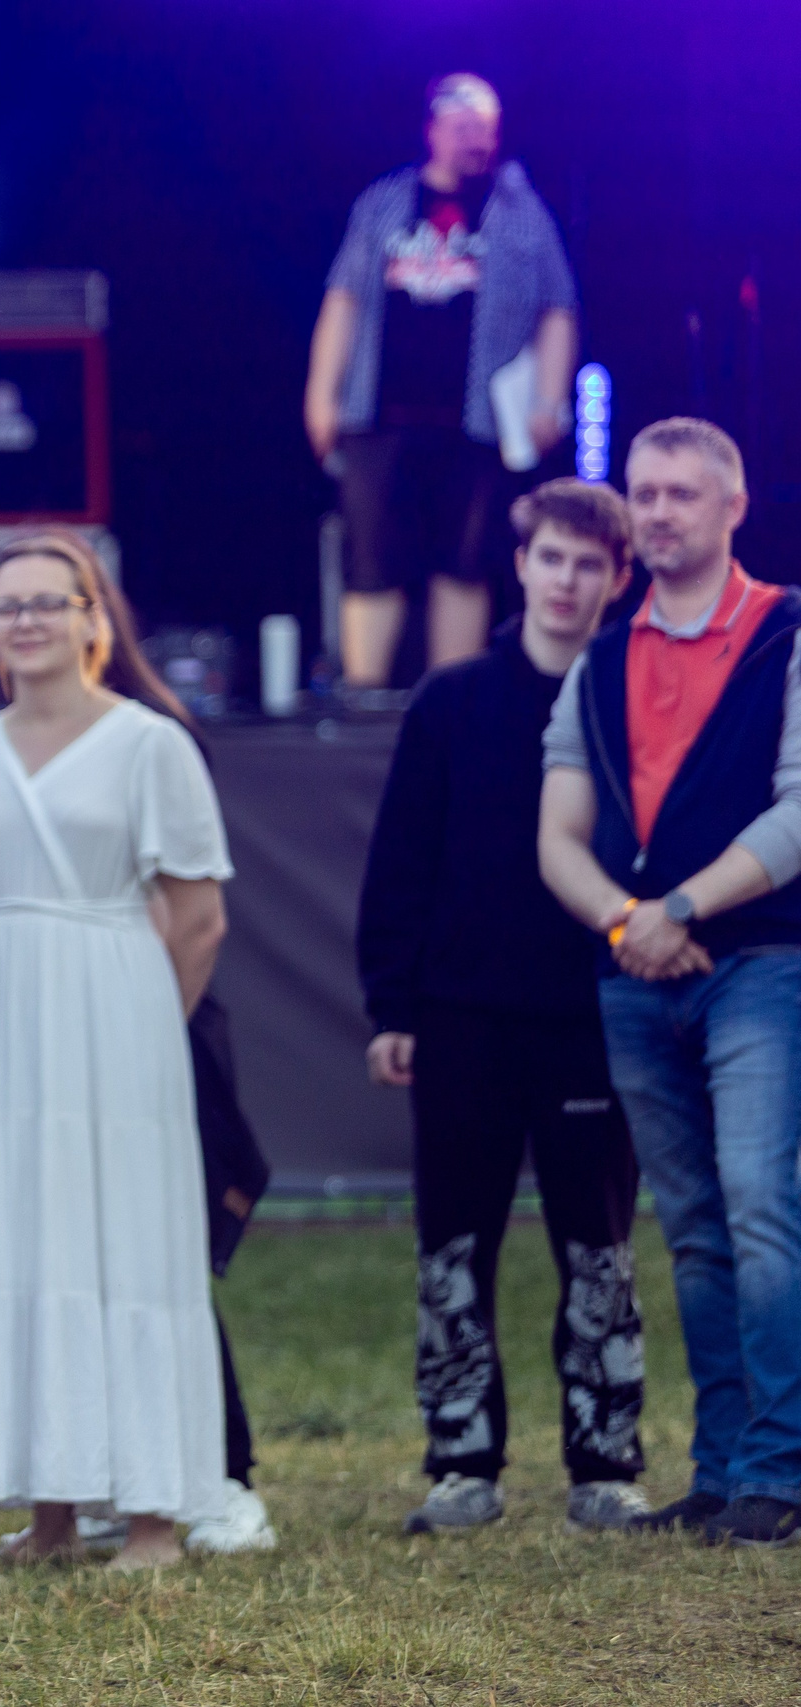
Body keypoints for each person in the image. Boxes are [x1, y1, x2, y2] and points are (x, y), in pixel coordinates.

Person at [0, 559, 277, 1559]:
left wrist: (142, 1030)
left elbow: (198, 918)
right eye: (5, 605)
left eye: (44, 603)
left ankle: (154, 1513)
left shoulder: (150, 745)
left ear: (91, 621)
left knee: (126, 1250)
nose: (23, 622)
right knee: (22, 1243)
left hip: (117, 1005)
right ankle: (54, 1511)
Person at [359, 477, 649, 1536]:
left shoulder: (629, 699)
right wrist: (391, 1007)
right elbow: (398, 866)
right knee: (452, 1246)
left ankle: (606, 1461)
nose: (565, 581)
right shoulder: (450, 701)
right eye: (550, 559)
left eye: (588, 564)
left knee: (599, 1250)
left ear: (617, 580)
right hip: (458, 1019)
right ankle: (460, 1463)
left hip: (594, 1017)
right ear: (518, 566)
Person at [539, 418, 801, 1548]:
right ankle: (723, 1470)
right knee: (692, 1229)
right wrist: (625, 921)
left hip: (758, 964)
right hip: (636, 975)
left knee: (761, 1210)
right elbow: (554, 835)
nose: (655, 513)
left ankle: (781, 1472)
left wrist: (679, 910)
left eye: (680, 494)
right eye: (641, 493)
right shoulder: (599, 661)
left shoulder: (787, 633)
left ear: (731, 507)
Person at [305, 72, 579, 689]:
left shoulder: (523, 213)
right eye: (463, 130)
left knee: (466, 564)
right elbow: (343, 300)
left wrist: (550, 401)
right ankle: (364, 696)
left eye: (485, 131)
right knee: (373, 557)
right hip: (378, 418)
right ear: (433, 131)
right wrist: (322, 394)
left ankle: (450, 700)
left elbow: (557, 309)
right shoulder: (383, 203)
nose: (475, 143)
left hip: (479, 425)